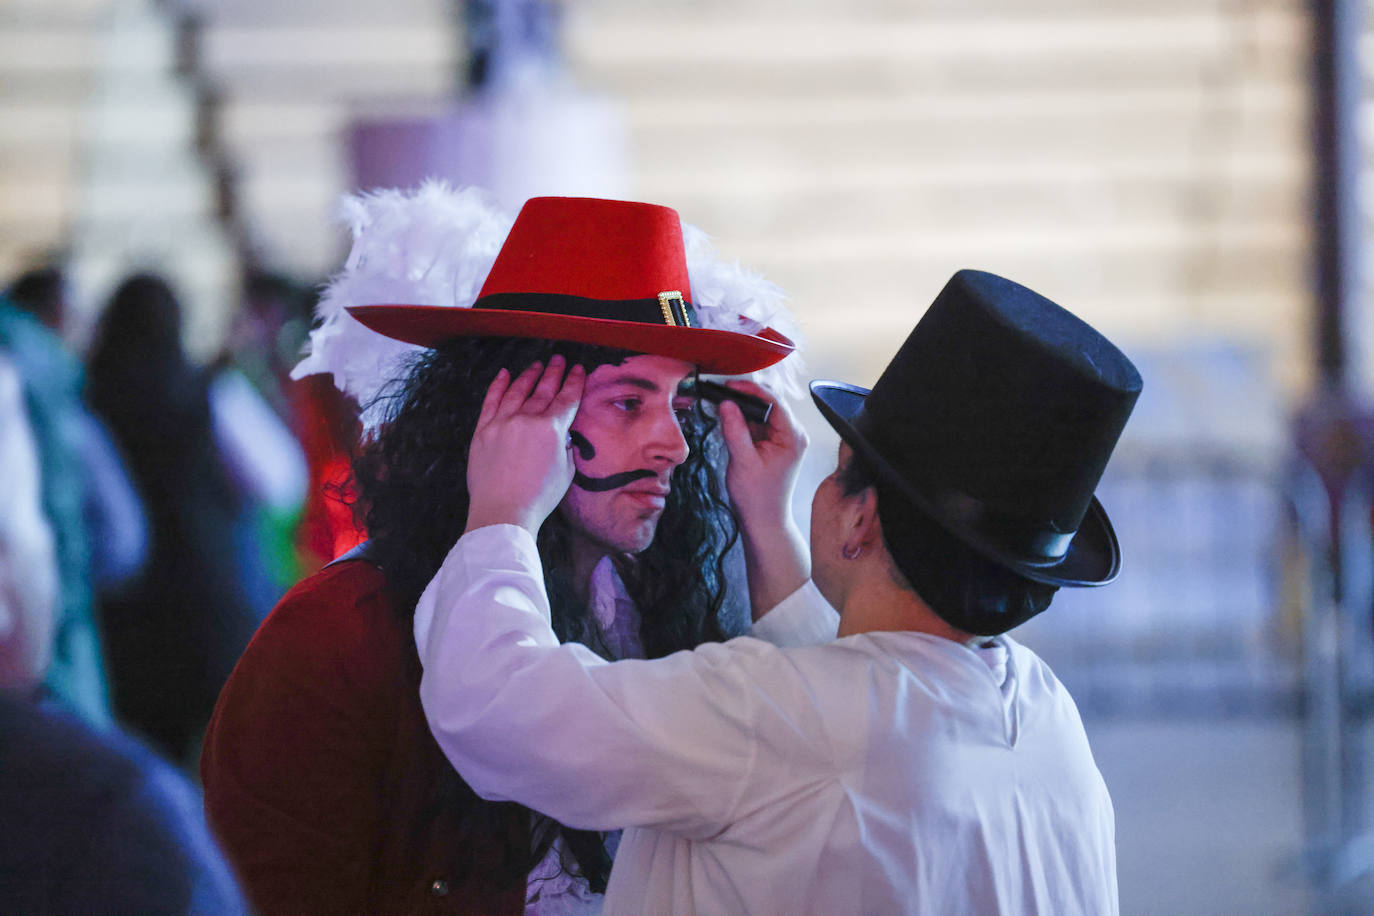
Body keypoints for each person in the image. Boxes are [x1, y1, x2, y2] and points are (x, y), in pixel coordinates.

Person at [415, 269, 1141, 915]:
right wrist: (768, 522)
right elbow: (858, 709)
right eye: (631, 403)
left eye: (839, 465)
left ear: (860, 517)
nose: (672, 442)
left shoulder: (775, 718)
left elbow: (498, 708)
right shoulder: (1049, 718)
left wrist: (503, 511)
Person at [200, 185, 807, 915]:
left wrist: (768, 524)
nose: (675, 446)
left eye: (681, 407)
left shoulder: (662, 607)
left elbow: (818, 741)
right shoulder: (336, 634)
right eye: (627, 403)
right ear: (502, 408)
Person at [0, 350, 247, 916]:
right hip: (197, 625)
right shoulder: (102, 813)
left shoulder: (94, 398)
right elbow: (123, 541)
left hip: (130, 647)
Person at [85, 273, 265, 767]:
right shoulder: (209, 391)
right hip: (212, 608)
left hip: (127, 627)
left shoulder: (88, 401)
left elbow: (112, 537)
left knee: (150, 775)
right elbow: (279, 480)